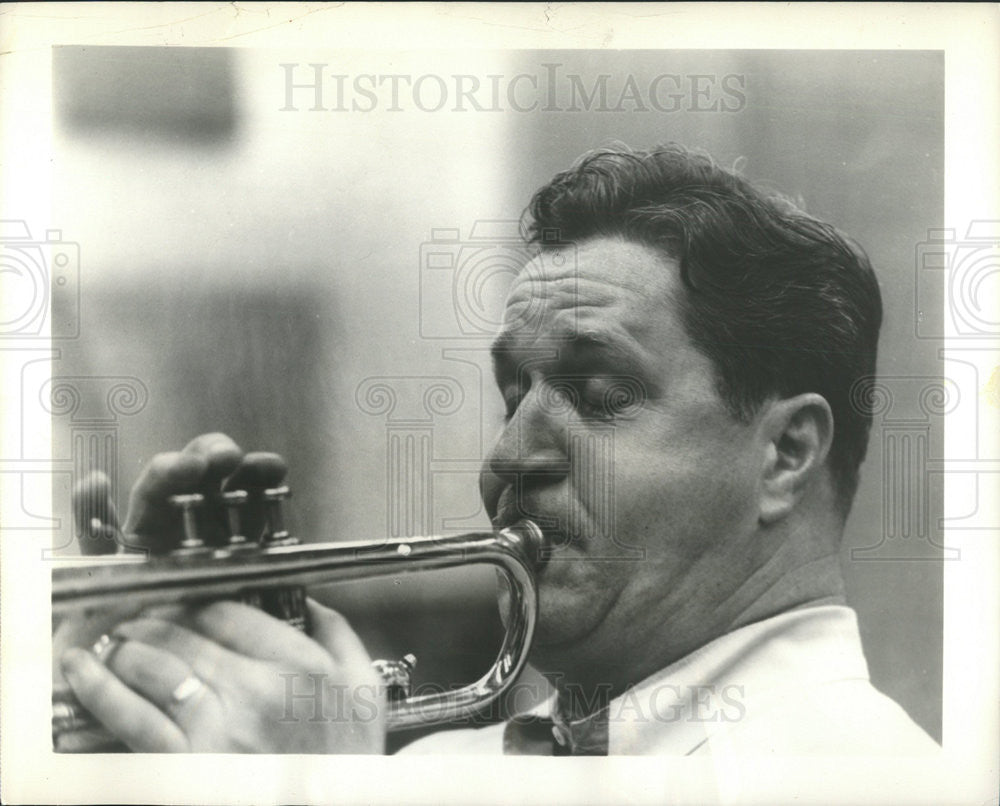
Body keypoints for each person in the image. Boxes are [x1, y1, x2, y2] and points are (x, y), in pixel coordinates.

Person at [58, 144, 938, 756]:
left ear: (785, 453)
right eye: (512, 396)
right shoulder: (436, 775)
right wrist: (129, 693)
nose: (509, 457)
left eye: (599, 397)